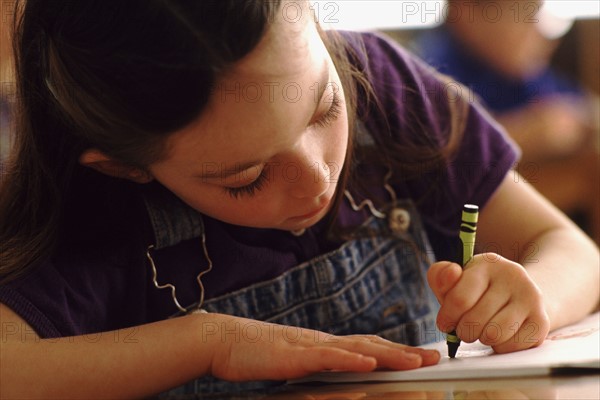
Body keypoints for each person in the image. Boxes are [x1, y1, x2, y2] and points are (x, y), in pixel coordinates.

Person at [0, 1, 598, 398]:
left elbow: (570, 249)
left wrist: (533, 294)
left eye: (325, 109)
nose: (316, 178)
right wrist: (205, 341)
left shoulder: (385, 85)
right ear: (127, 168)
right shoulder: (93, 208)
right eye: (247, 177)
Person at [415, 0, 599, 242]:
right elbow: (437, 157)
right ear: (466, 11)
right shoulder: (431, 71)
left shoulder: (520, 70)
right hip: (458, 208)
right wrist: (521, 133)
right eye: (525, 16)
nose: (541, 31)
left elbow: (583, 108)